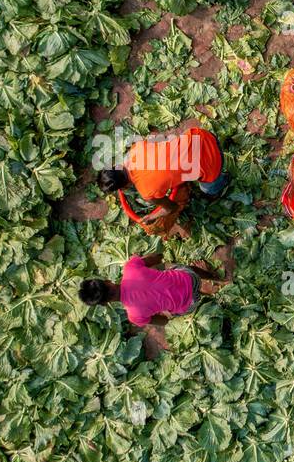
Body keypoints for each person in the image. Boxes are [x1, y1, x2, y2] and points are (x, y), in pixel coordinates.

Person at [99, 126, 228, 238]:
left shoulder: (146, 192)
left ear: (125, 186)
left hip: (213, 162)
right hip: (201, 135)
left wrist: (151, 217)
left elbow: (172, 208)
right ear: (116, 165)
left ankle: (225, 180)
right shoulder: (136, 149)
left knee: (208, 189)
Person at [78, 253, 224, 327]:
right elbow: (158, 257)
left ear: (105, 304)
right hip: (191, 278)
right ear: (107, 281)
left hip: (190, 304)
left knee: (172, 308)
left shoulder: (134, 316)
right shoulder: (130, 268)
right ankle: (213, 277)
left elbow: (163, 322)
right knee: (170, 268)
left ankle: (209, 295)